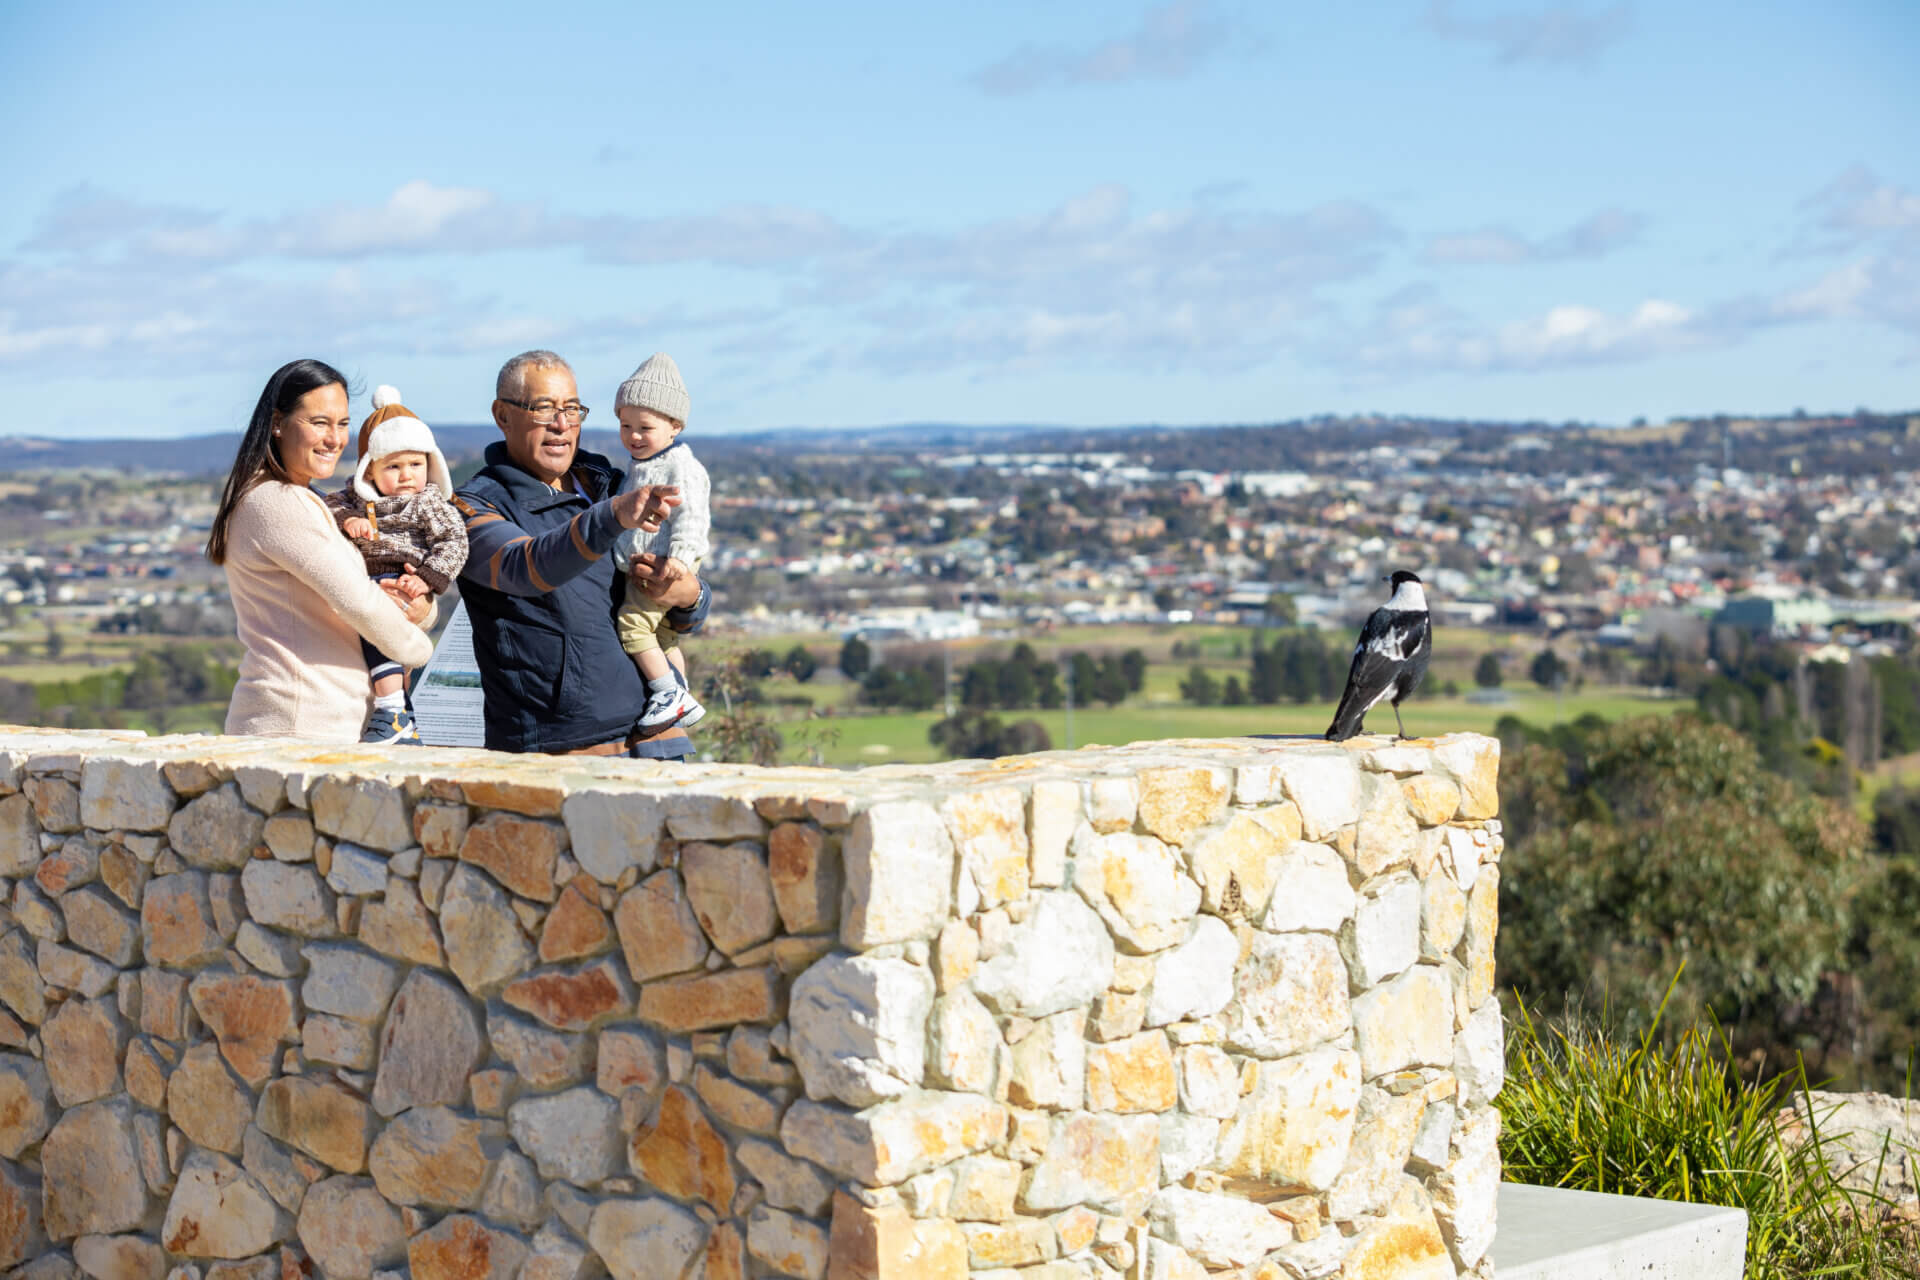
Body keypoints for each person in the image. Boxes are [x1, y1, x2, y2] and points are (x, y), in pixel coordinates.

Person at [454, 349, 709, 756]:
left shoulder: (609, 481)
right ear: (502, 415)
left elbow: (671, 591)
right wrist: (611, 516)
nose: (561, 425)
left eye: (572, 409)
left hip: (658, 736)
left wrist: (692, 597)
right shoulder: (474, 507)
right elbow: (525, 567)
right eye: (543, 408)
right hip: (564, 748)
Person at [207, 359, 436, 741]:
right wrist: (420, 651)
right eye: (319, 423)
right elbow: (359, 602)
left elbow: (373, 594)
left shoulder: (305, 499)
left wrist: (418, 606)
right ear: (277, 423)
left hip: (322, 721)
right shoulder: (277, 502)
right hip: (299, 724)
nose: (335, 438)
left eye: (343, 424)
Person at [323, 386, 468, 744]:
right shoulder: (355, 500)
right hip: (363, 579)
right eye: (394, 466)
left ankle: (391, 708)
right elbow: (326, 506)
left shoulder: (426, 503)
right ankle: (401, 711)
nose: (406, 475)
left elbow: (454, 541)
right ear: (369, 471)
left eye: (416, 465)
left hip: (403, 577)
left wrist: (428, 579)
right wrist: (346, 519)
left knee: (381, 632)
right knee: (377, 639)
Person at [610, 353, 710, 731]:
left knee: (633, 625)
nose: (633, 436)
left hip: (662, 567)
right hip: (654, 563)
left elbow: (693, 518)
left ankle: (668, 693)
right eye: (625, 425)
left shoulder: (679, 466)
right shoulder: (646, 463)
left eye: (644, 427)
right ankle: (681, 693)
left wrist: (680, 561)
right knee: (664, 636)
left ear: (675, 426)